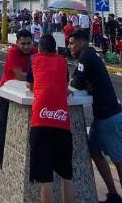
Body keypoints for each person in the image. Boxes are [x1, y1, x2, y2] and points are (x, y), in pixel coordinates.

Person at [69, 30, 122, 203]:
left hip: (110, 116)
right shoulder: (89, 56)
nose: (69, 47)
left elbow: (76, 82)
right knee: (94, 151)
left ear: (82, 42)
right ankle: (113, 195)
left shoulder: (86, 56)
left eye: (72, 43)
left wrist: (81, 83)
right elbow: (78, 81)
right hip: (102, 116)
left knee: (119, 161)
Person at [26, 34, 74, 203]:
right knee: (67, 174)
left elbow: (30, 85)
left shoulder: (34, 60)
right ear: (54, 49)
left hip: (41, 120)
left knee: (45, 177)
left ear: (39, 49)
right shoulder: (63, 61)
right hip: (62, 121)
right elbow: (65, 84)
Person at [0, 30, 36, 167]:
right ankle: (3, 166)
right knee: (4, 132)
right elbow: (19, 75)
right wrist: (38, 76)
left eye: (29, 43)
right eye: (22, 44)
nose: (26, 46)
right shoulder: (13, 52)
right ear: (17, 43)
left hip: (23, 97)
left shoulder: (35, 52)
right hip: (5, 97)